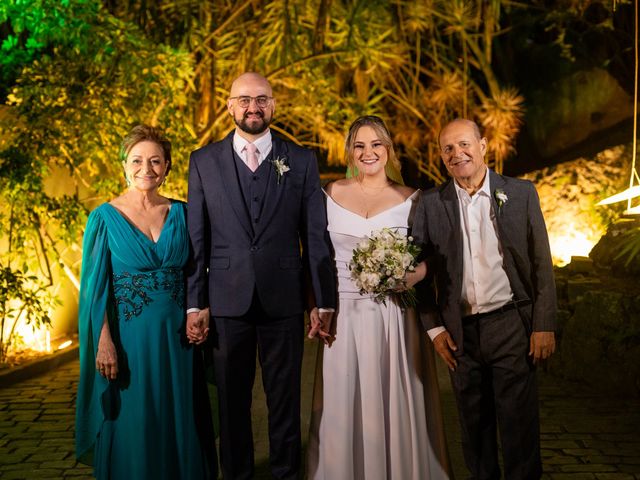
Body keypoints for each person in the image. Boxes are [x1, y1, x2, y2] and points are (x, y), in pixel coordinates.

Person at [185, 72, 336, 480]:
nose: (254, 107)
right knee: (232, 405)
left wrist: (321, 302)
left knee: (285, 402)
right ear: (230, 106)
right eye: (245, 99)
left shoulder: (301, 160)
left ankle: (286, 475)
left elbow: (315, 236)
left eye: (262, 99)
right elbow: (197, 239)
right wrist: (195, 302)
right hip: (226, 302)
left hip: (283, 300)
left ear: (273, 105)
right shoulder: (202, 161)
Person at [307, 115, 451, 480]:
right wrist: (316, 304)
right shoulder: (328, 195)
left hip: (395, 320)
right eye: (359, 145)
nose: (368, 152)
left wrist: (417, 273)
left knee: (395, 402)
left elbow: (436, 256)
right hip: (342, 319)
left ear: (388, 150)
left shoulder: (412, 199)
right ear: (350, 153)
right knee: (342, 404)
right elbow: (315, 258)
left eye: (376, 145)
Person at [412, 118, 557, 479]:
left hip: (511, 325)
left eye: (463, 145)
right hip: (460, 334)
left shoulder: (521, 193)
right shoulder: (430, 204)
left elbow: (542, 264)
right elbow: (413, 273)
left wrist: (543, 325)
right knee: (474, 432)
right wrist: (433, 330)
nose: (456, 154)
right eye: (447, 149)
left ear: (483, 145)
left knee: (519, 429)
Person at [75, 125, 216, 479]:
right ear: (124, 164)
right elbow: (95, 291)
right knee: (134, 421)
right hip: (128, 342)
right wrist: (103, 342)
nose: (146, 169)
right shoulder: (104, 218)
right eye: (137, 160)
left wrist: (202, 311)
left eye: (155, 161)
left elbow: (199, 272)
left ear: (167, 166)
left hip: (178, 342)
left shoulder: (183, 213)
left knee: (178, 415)